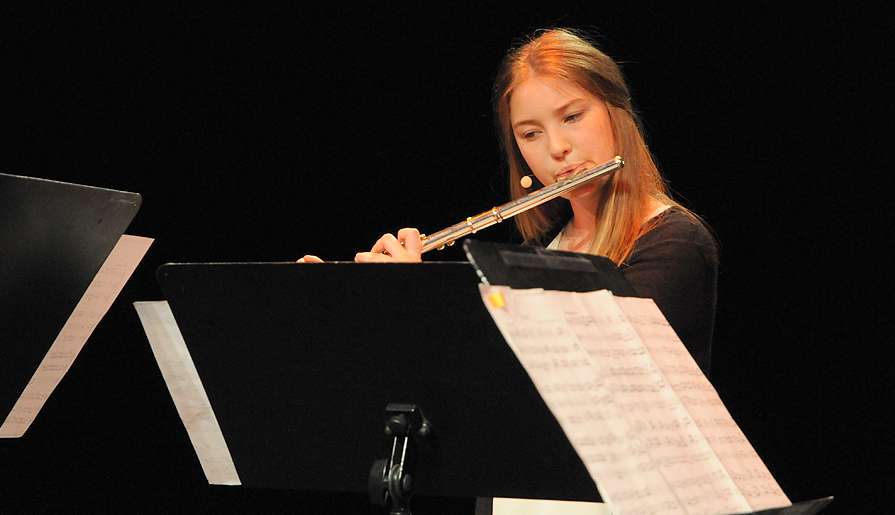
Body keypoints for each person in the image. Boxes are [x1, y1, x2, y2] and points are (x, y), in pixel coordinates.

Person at [300, 28, 717, 375]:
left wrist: (420, 297)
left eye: (572, 117)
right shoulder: (543, 247)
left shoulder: (672, 244)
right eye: (530, 133)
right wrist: (351, 304)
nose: (556, 148)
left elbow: (576, 371)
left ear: (617, 114)